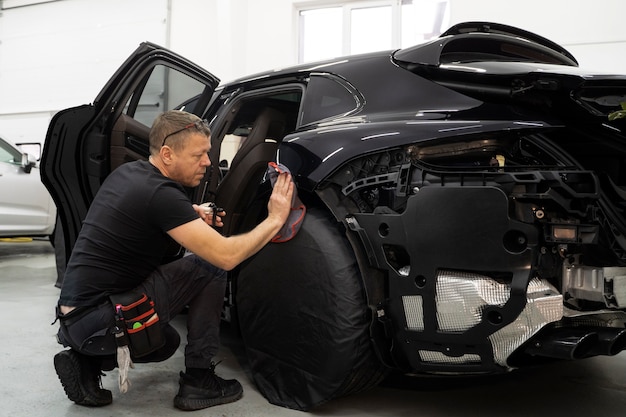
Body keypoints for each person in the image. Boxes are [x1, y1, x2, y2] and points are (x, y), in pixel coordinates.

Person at [52, 110, 294, 411]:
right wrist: (275, 219)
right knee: (211, 265)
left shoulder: (130, 174)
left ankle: (86, 362)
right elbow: (227, 255)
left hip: (75, 317)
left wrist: (191, 213)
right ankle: (199, 379)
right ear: (167, 154)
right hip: (99, 319)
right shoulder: (160, 195)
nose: (207, 163)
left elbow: (145, 212)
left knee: (165, 341)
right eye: (199, 154)